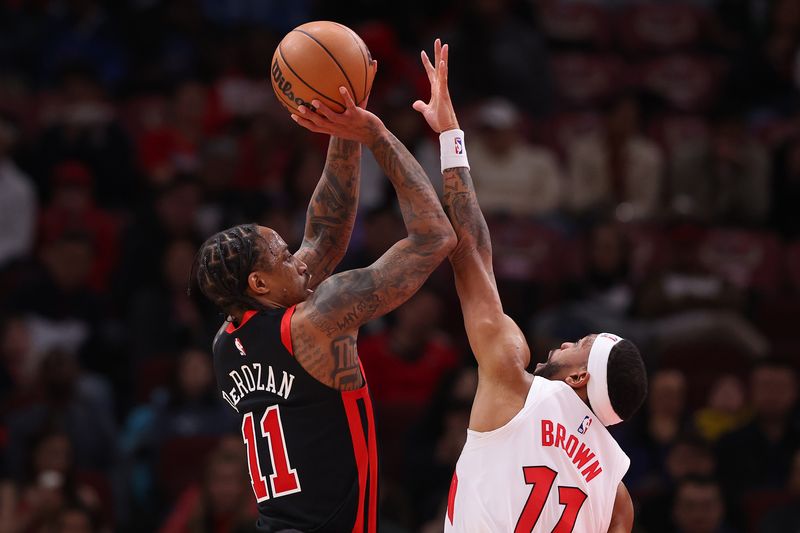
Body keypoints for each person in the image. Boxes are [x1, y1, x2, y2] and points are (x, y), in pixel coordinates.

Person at [194, 77, 456, 532]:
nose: (297, 257)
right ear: (259, 282)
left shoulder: (226, 340)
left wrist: (343, 122)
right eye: (282, 255)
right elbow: (435, 238)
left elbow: (325, 235)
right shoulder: (318, 321)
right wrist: (375, 134)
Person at [411, 39, 648, 532]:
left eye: (579, 346)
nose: (565, 342)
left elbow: (472, 251)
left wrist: (451, 136)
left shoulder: (511, 381)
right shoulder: (617, 493)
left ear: (581, 378)